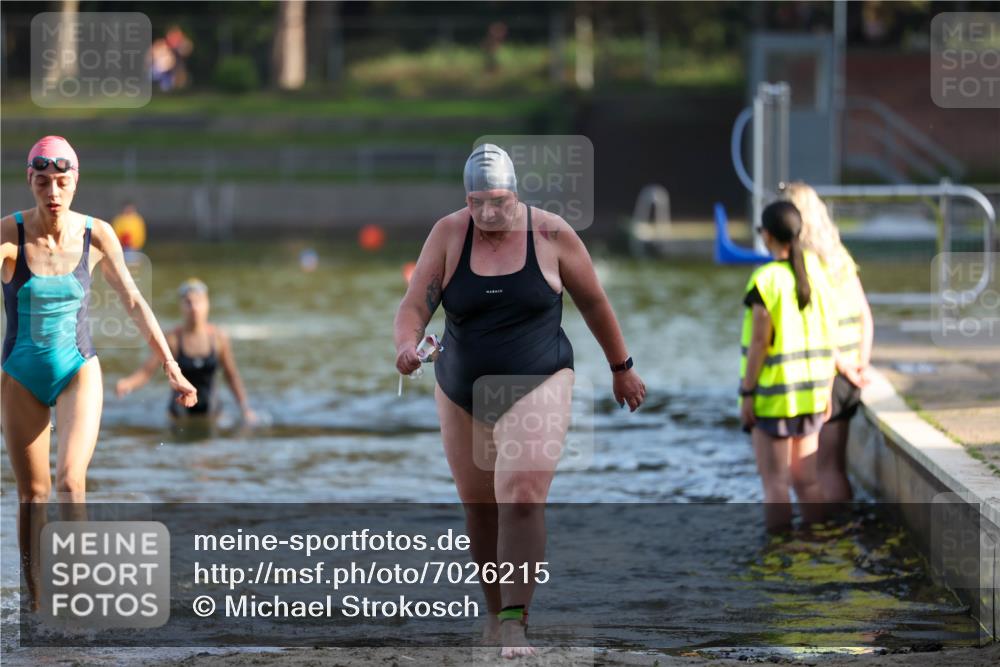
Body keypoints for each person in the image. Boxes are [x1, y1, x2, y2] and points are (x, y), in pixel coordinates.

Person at [393, 144, 645, 657]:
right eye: (477, 201)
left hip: (540, 376)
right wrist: (405, 346)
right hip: (459, 382)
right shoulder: (448, 234)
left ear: (517, 194)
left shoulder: (551, 233)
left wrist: (622, 369)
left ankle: (515, 621)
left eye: (500, 201)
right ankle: (493, 610)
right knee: (480, 506)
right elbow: (415, 303)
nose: (488, 213)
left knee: (522, 493)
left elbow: (594, 301)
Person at [1, 136, 198, 609]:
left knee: (70, 481)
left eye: (62, 181)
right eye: (43, 181)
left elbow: (133, 301)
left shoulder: (98, 234)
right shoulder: (9, 236)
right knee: (34, 496)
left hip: (77, 368)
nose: (53, 191)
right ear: (30, 181)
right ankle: (37, 602)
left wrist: (172, 367)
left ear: (75, 182)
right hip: (19, 375)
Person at [739, 200, 847, 532]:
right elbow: (832, 335)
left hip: (775, 397)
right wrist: (827, 389)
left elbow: (759, 342)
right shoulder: (818, 274)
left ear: (767, 235)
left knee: (775, 484)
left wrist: (747, 392)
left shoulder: (766, 280)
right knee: (808, 481)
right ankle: (816, 545)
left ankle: (779, 559)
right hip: (812, 394)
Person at [785, 183, 873, 503]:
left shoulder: (805, 262)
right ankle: (844, 533)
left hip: (830, 375)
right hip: (851, 373)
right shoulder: (839, 257)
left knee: (823, 469)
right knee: (836, 465)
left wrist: (840, 365)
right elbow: (865, 314)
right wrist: (860, 363)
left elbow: (817, 324)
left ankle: (829, 538)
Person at [116, 278, 257, 424]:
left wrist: (245, 408)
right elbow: (146, 372)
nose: (194, 307)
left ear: (207, 304)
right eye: (188, 302)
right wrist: (128, 384)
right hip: (179, 416)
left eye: (199, 302)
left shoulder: (218, 338)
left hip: (211, 415)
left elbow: (231, 376)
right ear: (181, 306)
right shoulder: (172, 339)